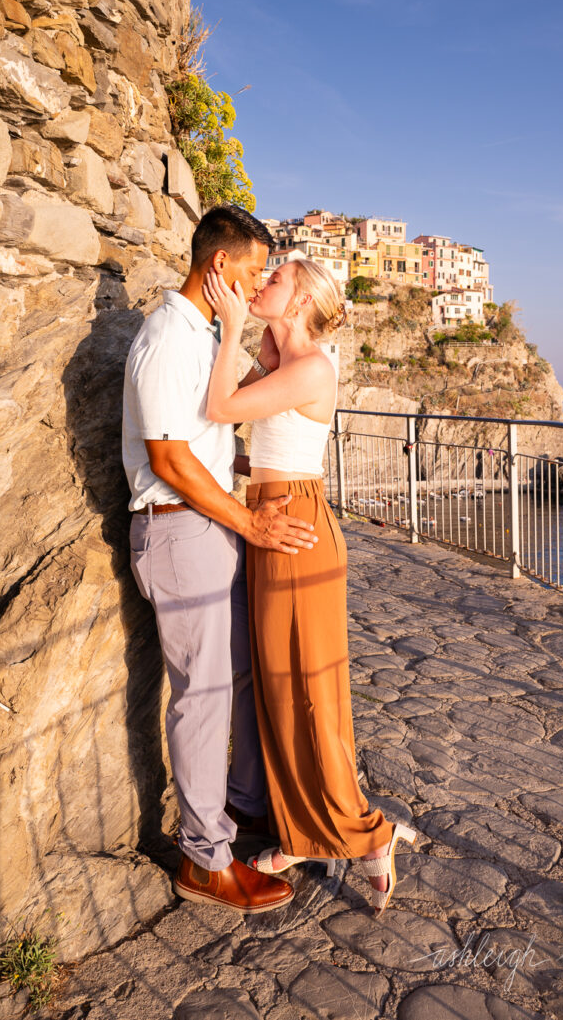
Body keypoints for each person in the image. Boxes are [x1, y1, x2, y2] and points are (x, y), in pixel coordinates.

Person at [203, 258, 416, 916]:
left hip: (294, 527)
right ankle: (302, 828)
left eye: (275, 280)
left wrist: (235, 324)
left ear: (298, 299)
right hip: (276, 515)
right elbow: (238, 426)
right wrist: (258, 344)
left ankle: (365, 833)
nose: (260, 283)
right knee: (279, 687)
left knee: (308, 692)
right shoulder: (286, 361)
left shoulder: (314, 366)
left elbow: (216, 406)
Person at [122, 205, 320, 914]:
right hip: (179, 531)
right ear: (217, 268)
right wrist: (249, 521)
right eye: (250, 268)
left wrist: (249, 469)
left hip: (207, 526)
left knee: (233, 677)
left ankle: (238, 810)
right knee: (202, 697)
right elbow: (168, 457)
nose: (257, 279)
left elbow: (201, 437)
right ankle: (204, 859)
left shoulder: (199, 333)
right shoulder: (166, 338)